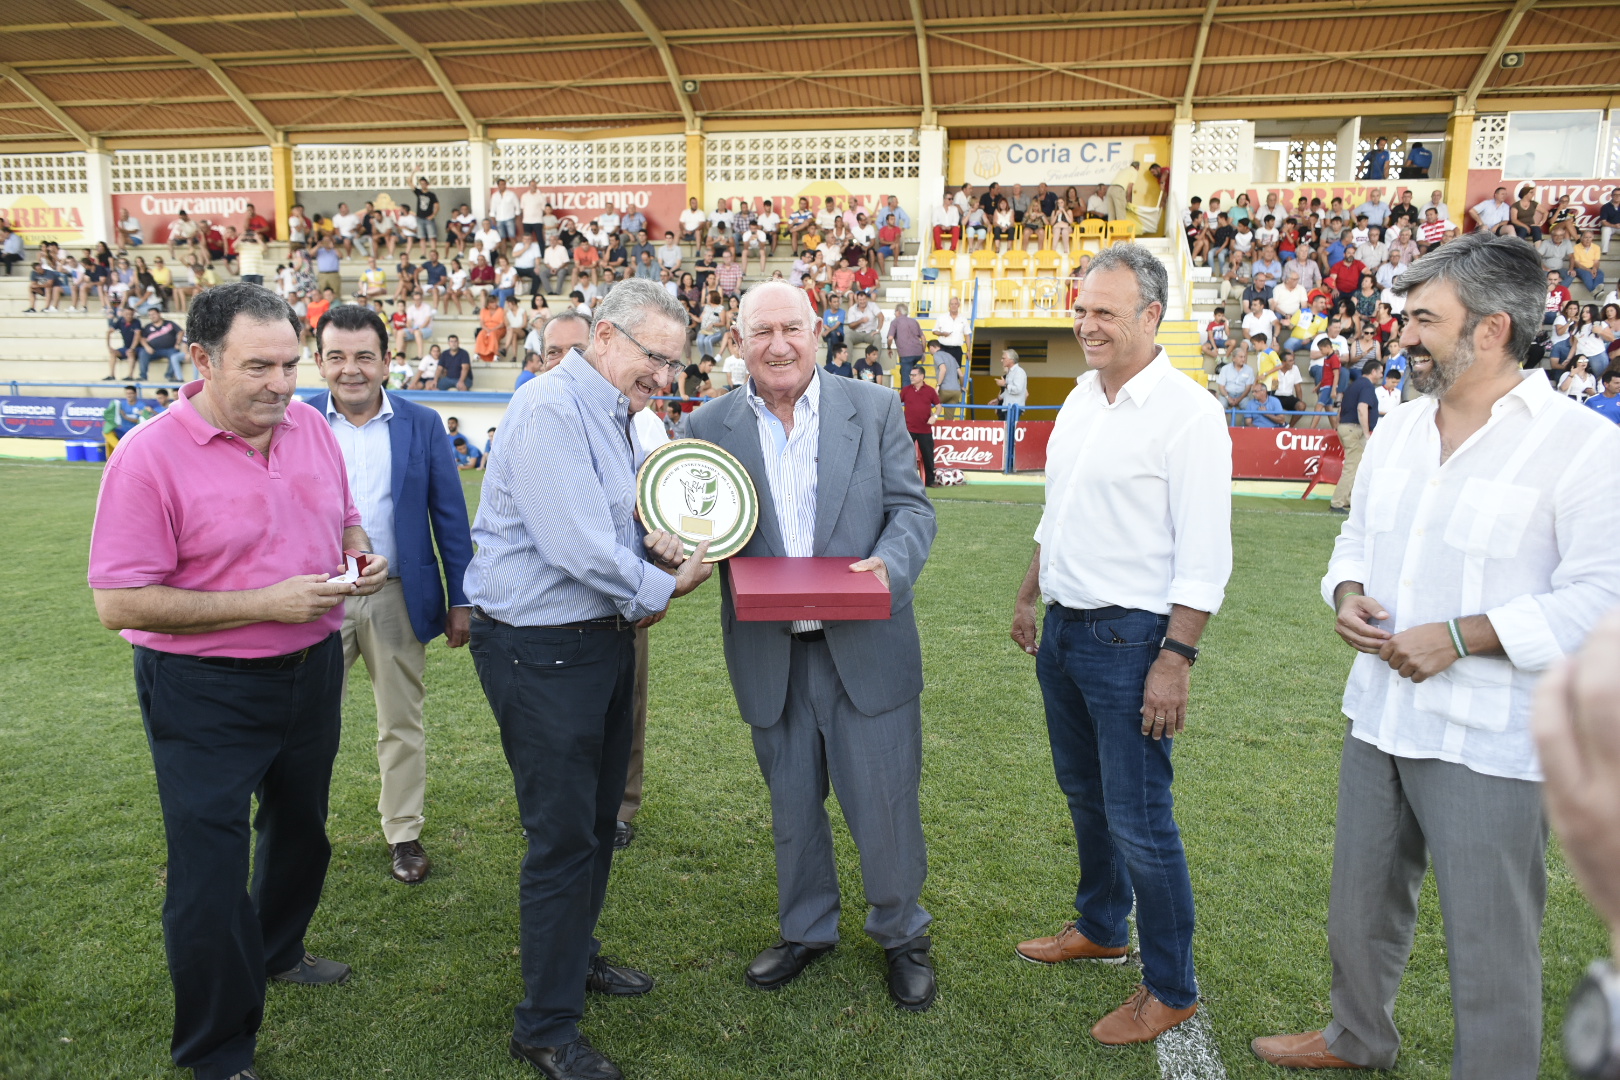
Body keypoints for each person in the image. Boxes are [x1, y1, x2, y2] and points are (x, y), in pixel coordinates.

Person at [1253, 232, 1620, 1078]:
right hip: (1378, 715)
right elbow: (1355, 541)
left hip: (1489, 738)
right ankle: (1356, 1038)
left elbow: (1600, 600)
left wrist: (1461, 637)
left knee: (1492, 939)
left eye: (1424, 319)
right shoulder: (1400, 429)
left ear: (1492, 330)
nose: (1404, 335)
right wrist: (1346, 597)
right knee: (1360, 910)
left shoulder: (1582, 446)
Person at [87, 284, 390, 1080]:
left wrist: (359, 552)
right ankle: (217, 1051)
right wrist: (265, 602)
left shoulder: (312, 428)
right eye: (260, 367)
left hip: (311, 670)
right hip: (201, 689)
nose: (283, 385)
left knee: (301, 829)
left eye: (292, 365)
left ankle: (279, 951)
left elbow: (345, 515)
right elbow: (117, 601)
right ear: (201, 359)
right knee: (208, 872)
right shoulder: (149, 455)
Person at [464, 278, 710, 1080]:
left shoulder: (612, 412)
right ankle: (544, 1027)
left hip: (589, 644)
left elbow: (610, 525)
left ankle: (575, 958)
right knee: (564, 837)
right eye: (656, 360)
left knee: (595, 825)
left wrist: (655, 546)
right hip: (541, 652)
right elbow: (573, 544)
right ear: (604, 337)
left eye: (674, 365)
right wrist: (662, 585)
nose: (665, 379)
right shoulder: (548, 408)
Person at [684, 279, 938, 1010]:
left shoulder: (876, 407)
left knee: (884, 805)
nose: (778, 345)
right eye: (760, 331)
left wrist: (891, 563)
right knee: (792, 806)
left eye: (791, 328)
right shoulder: (706, 425)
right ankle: (807, 929)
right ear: (737, 342)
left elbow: (910, 512)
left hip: (865, 647)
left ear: (817, 330)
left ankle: (902, 935)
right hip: (772, 654)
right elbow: (697, 527)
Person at [1011, 244, 1232, 1045]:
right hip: (1068, 630)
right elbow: (1058, 509)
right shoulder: (1078, 397)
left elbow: (1206, 555)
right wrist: (1032, 590)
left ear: (1151, 317)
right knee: (1085, 797)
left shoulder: (1189, 413)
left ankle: (1171, 987)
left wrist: (1175, 659)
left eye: (1106, 311)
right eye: (1082, 309)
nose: (1088, 324)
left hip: (1133, 639)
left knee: (1141, 818)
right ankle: (1102, 925)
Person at [311, 304, 474, 885]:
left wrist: (461, 599)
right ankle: (299, 831)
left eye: (363, 356)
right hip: (313, 599)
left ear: (386, 361)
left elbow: (449, 518)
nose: (350, 369)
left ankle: (404, 833)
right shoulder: (295, 421)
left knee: (400, 722)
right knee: (304, 721)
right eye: (337, 357)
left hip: (396, 595)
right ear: (319, 361)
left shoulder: (422, 424)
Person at [1329, 358, 1383, 513]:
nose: (1381, 375)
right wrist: (1366, 433)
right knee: (1352, 467)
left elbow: (1341, 408)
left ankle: (1346, 500)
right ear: (1373, 372)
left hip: (1346, 427)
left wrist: (1338, 425)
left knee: (1356, 466)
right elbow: (1362, 408)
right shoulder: (1366, 386)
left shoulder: (1355, 385)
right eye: (1380, 372)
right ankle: (1337, 502)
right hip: (1354, 429)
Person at [900, 364, 940, 486]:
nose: (911, 377)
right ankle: (904, 480)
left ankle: (930, 481)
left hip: (925, 429)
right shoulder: (906, 390)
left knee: (928, 456)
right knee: (904, 455)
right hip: (908, 429)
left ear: (921, 376)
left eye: (914, 375)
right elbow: (896, 403)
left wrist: (935, 416)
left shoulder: (930, 391)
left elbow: (938, 406)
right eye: (911, 375)